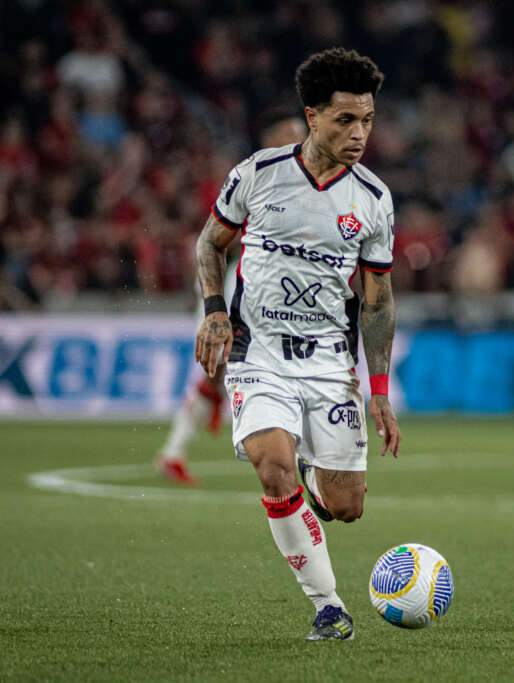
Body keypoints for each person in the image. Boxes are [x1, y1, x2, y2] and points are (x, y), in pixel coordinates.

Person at [194, 47, 401, 641]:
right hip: (257, 356)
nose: (360, 133)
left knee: (346, 506)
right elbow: (211, 245)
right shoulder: (257, 174)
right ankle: (329, 607)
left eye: (367, 120)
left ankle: (318, 470)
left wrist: (380, 391)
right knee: (272, 469)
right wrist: (213, 312)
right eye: (345, 120)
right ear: (312, 117)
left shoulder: (374, 199)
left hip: (331, 365)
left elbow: (378, 300)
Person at [156, 110, 308, 484]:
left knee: (229, 370)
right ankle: (182, 442)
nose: (300, 141)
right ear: (270, 138)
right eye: (292, 133)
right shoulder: (253, 177)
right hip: (235, 278)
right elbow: (216, 237)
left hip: (274, 288)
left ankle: (177, 448)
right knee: (219, 363)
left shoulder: (303, 182)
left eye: (302, 134)